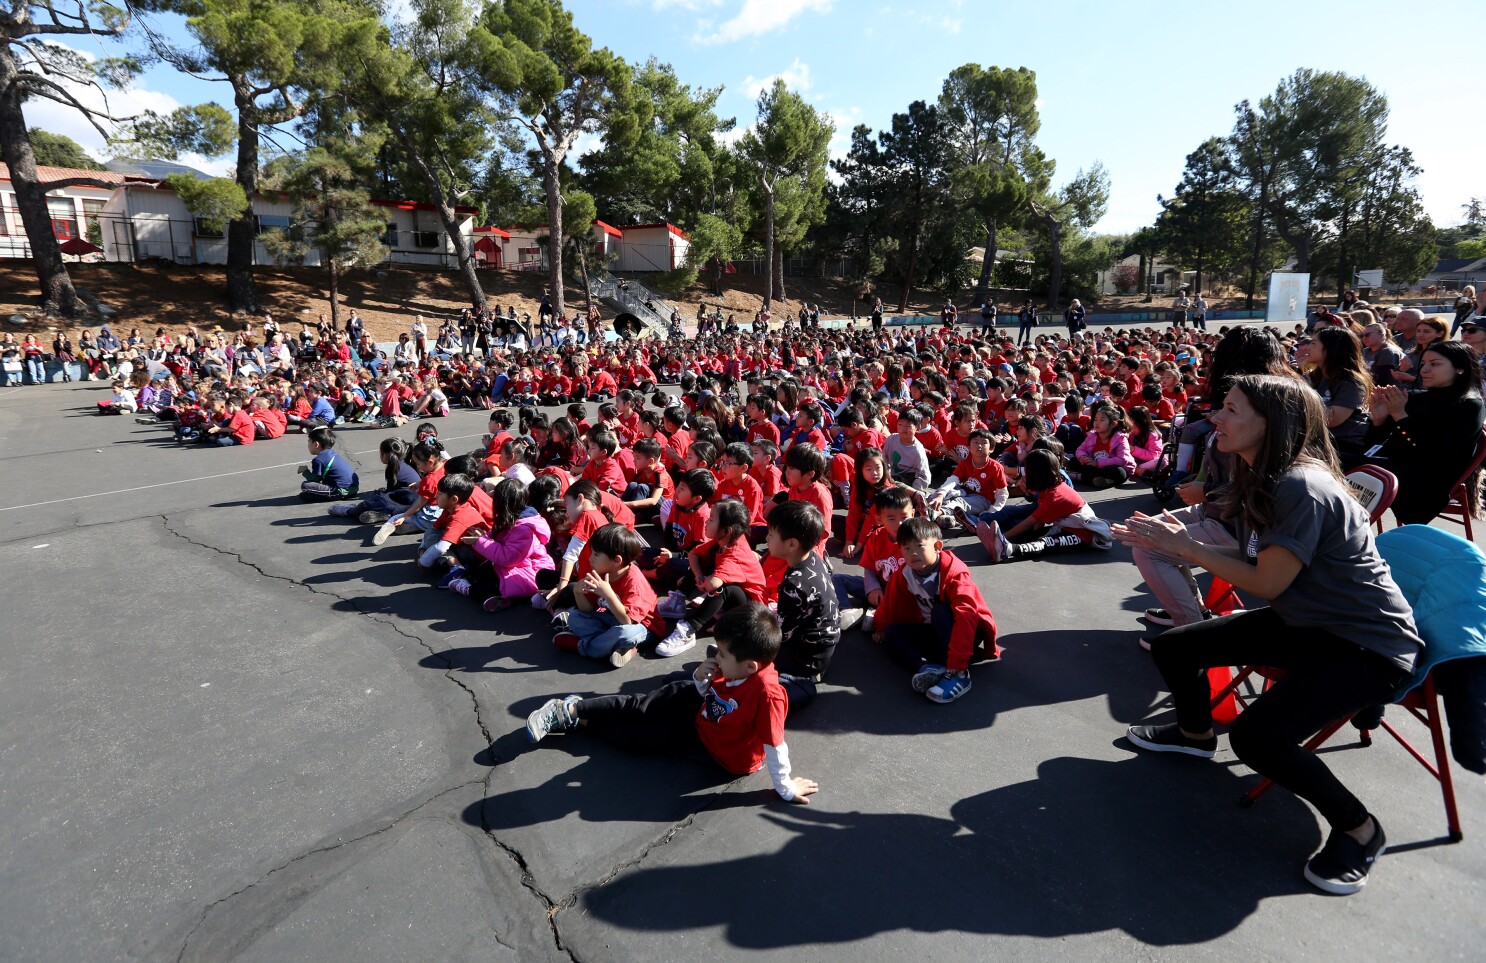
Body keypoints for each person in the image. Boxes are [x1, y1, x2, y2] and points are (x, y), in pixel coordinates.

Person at [1115, 374, 1423, 896]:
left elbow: (1266, 581)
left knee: (1258, 737)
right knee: (1174, 647)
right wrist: (1173, 538)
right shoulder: (1259, 473)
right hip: (1311, 621)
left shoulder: (1299, 486)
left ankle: (1360, 829)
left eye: (1231, 409)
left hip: (1368, 645)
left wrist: (1184, 547)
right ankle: (1194, 738)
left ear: (1271, 423)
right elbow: (1260, 561)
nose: (1217, 418)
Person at [523, 602, 820, 804]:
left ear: (751, 667)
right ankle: (571, 709)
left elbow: (775, 745)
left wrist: (785, 788)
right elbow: (709, 691)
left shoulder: (768, 695)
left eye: (723, 655)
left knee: (638, 740)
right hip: (701, 709)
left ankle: (584, 722)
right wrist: (701, 678)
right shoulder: (733, 666)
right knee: (641, 705)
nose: (716, 658)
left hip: (713, 746)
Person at [872, 516, 1000, 704]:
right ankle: (928, 668)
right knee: (893, 632)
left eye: (919, 547)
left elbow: (967, 616)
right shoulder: (905, 573)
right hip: (938, 632)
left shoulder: (954, 573)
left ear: (938, 546)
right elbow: (891, 602)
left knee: (940, 611)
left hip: (967, 635)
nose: (913, 553)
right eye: (907, 548)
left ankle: (959, 674)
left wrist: (958, 661)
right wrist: (880, 626)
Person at [1363, 341, 1485, 525]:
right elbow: (1378, 446)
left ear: (1460, 368)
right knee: (1327, 458)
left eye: (1434, 364)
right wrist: (1379, 421)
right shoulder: (1416, 398)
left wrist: (1400, 416)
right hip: (1393, 467)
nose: (1425, 369)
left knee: (1333, 465)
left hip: (1424, 483)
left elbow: (1433, 452)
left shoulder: (1470, 405)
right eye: (1423, 364)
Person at [551, 523, 663, 666]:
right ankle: (620, 647)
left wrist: (609, 594)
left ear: (617, 561)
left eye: (596, 554)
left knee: (624, 634)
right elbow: (588, 610)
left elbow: (627, 622)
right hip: (612, 621)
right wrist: (578, 593)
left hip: (644, 628)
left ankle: (582, 646)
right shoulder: (601, 572)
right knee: (575, 617)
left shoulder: (634, 581)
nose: (590, 558)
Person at [765, 500, 839, 708]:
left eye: (771, 534)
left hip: (807, 656)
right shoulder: (813, 558)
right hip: (824, 643)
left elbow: (783, 634)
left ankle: (801, 681)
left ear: (791, 544)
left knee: (751, 656)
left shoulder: (793, 585)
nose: (766, 538)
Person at [299, 427, 359, 501]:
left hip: (340, 491)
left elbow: (314, 480)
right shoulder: (332, 453)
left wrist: (305, 471)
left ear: (316, 444)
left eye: (309, 442)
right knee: (308, 492)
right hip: (354, 488)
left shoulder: (318, 460)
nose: (308, 445)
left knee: (305, 485)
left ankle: (328, 496)